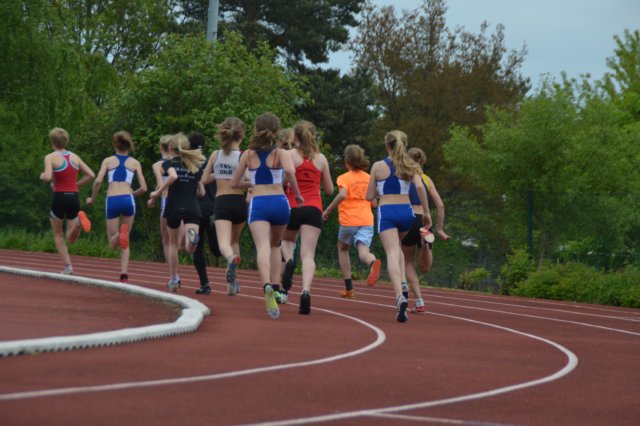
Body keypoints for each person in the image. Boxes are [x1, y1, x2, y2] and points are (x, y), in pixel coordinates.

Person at [230, 112, 302, 319]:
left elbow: (234, 183)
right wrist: (297, 194)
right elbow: (290, 172)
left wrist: (251, 182)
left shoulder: (247, 155)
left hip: (259, 203)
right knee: (275, 245)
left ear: (256, 130)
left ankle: (267, 286)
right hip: (280, 202)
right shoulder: (282, 153)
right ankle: (277, 286)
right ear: (277, 131)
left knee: (262, 247)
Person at [366, 130, 431, 323]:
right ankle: (403, 282)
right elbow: (419, 187)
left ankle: (399, 296)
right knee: (399, 247)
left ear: (387, 146)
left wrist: (381, 188)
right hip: (406, 212)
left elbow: (369, 196)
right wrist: (426, 212)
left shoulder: (378, 166)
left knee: (392, 253)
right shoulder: (410, 165)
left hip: (387, 211)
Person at [280, 120, 334, 315]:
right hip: (314, 209)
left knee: (286, 241)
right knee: (308, 255)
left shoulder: (290, 155)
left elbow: (284, 181)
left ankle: (289, 260)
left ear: (295, 137)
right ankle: (305, 291)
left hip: (293, 206)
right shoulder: (321, 159)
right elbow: (329, 190)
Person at [86, 131, 147, 283]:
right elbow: (144, 188)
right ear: (128, 146)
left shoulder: (108, 161)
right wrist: (133, 193)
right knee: (126, 241)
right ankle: (124, 275)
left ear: (115, 145)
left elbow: (98, 181)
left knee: (113, 244)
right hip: (128, 199)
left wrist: (92, 198)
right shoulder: (135, 163)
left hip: (112, 199)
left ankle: (120, 234)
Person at [149, 133, 206, 292]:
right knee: (189, 248)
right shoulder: (195, 165)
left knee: (172, 244)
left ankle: (174, 279)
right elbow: (202, 192)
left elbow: (172, 176)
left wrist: (156, 193)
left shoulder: (168, 164)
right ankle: (192, 240)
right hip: (192, 207)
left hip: (173, 207)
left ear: (171, 148)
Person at [323, 144, 382, 299]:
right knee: (364, 252)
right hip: (366, 220)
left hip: (348, 220)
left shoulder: (344, 178)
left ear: (347, 161)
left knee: (343, 249)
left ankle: (349, 288)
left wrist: (328, 210)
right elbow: (374, 203)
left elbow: (343, 194)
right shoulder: (369, 178)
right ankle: (372, 262)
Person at [201, 118, 248, 296]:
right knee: (234, 241)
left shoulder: (216, 155)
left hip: (222, 202)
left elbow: (204, 179)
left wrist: (219, 173)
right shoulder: (244, 156)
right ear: (241, 136)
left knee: (224, 243)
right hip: (239, 202)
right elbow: (249, 180)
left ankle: (230, 258)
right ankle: (232, 285)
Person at [40, 128, 95, 275]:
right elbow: (91, 175)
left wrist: (42, 175)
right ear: (66, 141)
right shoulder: (75, 157)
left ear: (52, 142)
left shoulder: (50, 157)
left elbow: (48, 177)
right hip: (74, 197)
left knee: (58, 235)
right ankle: (78, 222)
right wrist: (76, 185)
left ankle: (68, 267)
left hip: (60, 196)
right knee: (71, 238)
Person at [401, 147, 450, 313]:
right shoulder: (427, 179)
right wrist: (440, 229)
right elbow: (440, 205)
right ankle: (424, 244)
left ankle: (419, 300)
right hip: (424, 221)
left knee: (407, 262)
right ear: (421, 162)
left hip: (408, 218)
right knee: (425, 269)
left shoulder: (403, 177)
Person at [189, 132, 221, 295]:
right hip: (212, 208)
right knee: (217, 249)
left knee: (197, 247)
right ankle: (228, 253)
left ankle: (205, 284)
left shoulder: (187, 163)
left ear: (189, 146)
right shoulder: (211, 161)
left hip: (194, 210)